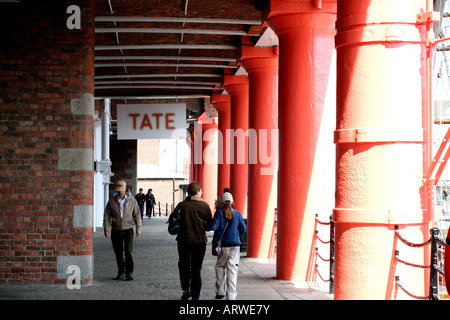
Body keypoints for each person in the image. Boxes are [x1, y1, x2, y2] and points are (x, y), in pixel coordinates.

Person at [173, 182, 213, 300]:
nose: (201, 193)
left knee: (184, 266)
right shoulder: (204, 206)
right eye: (201, 191)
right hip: (199, 241)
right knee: (196, 268)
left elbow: (174, 219)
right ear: (197, 192)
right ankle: (196, 296)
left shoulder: (181, 205)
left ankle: (186, 290)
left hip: (183, 241)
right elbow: (210, 224)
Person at [210, 192, 246, 300]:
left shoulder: (219, 213)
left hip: (223, 245)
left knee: (220, 267)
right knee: (232, 270)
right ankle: (231, 296)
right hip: (235, 245)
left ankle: (220, 292)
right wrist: (236, 236)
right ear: (232, 202)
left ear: (221, 201)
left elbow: (214, 227)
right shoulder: (238, 214)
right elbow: (243, 229)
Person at [103, 180, 142, 281]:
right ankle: (121, 272)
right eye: (119, 190)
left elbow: (137, 214)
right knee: (118, 252)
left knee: (128, 251)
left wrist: (138, 228)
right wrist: (106, 228)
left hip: (128, 229)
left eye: (122, 190)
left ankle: (129, 272)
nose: (120, 192)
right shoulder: (112, 201)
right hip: (116, 229)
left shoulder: (132, 200)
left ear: (125, 189)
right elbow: (107, 215)